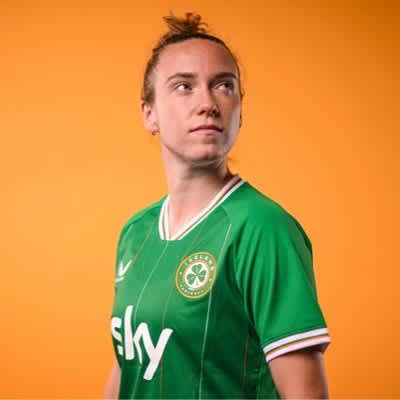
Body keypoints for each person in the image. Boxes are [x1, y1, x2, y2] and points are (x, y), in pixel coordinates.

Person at [104, 11, 331, 399]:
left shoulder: (262, 228)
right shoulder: (135, 233)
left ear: (240, 110)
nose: (208, 103)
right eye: (184, 86)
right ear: (149, 113)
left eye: (224, 86)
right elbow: (130, 365)